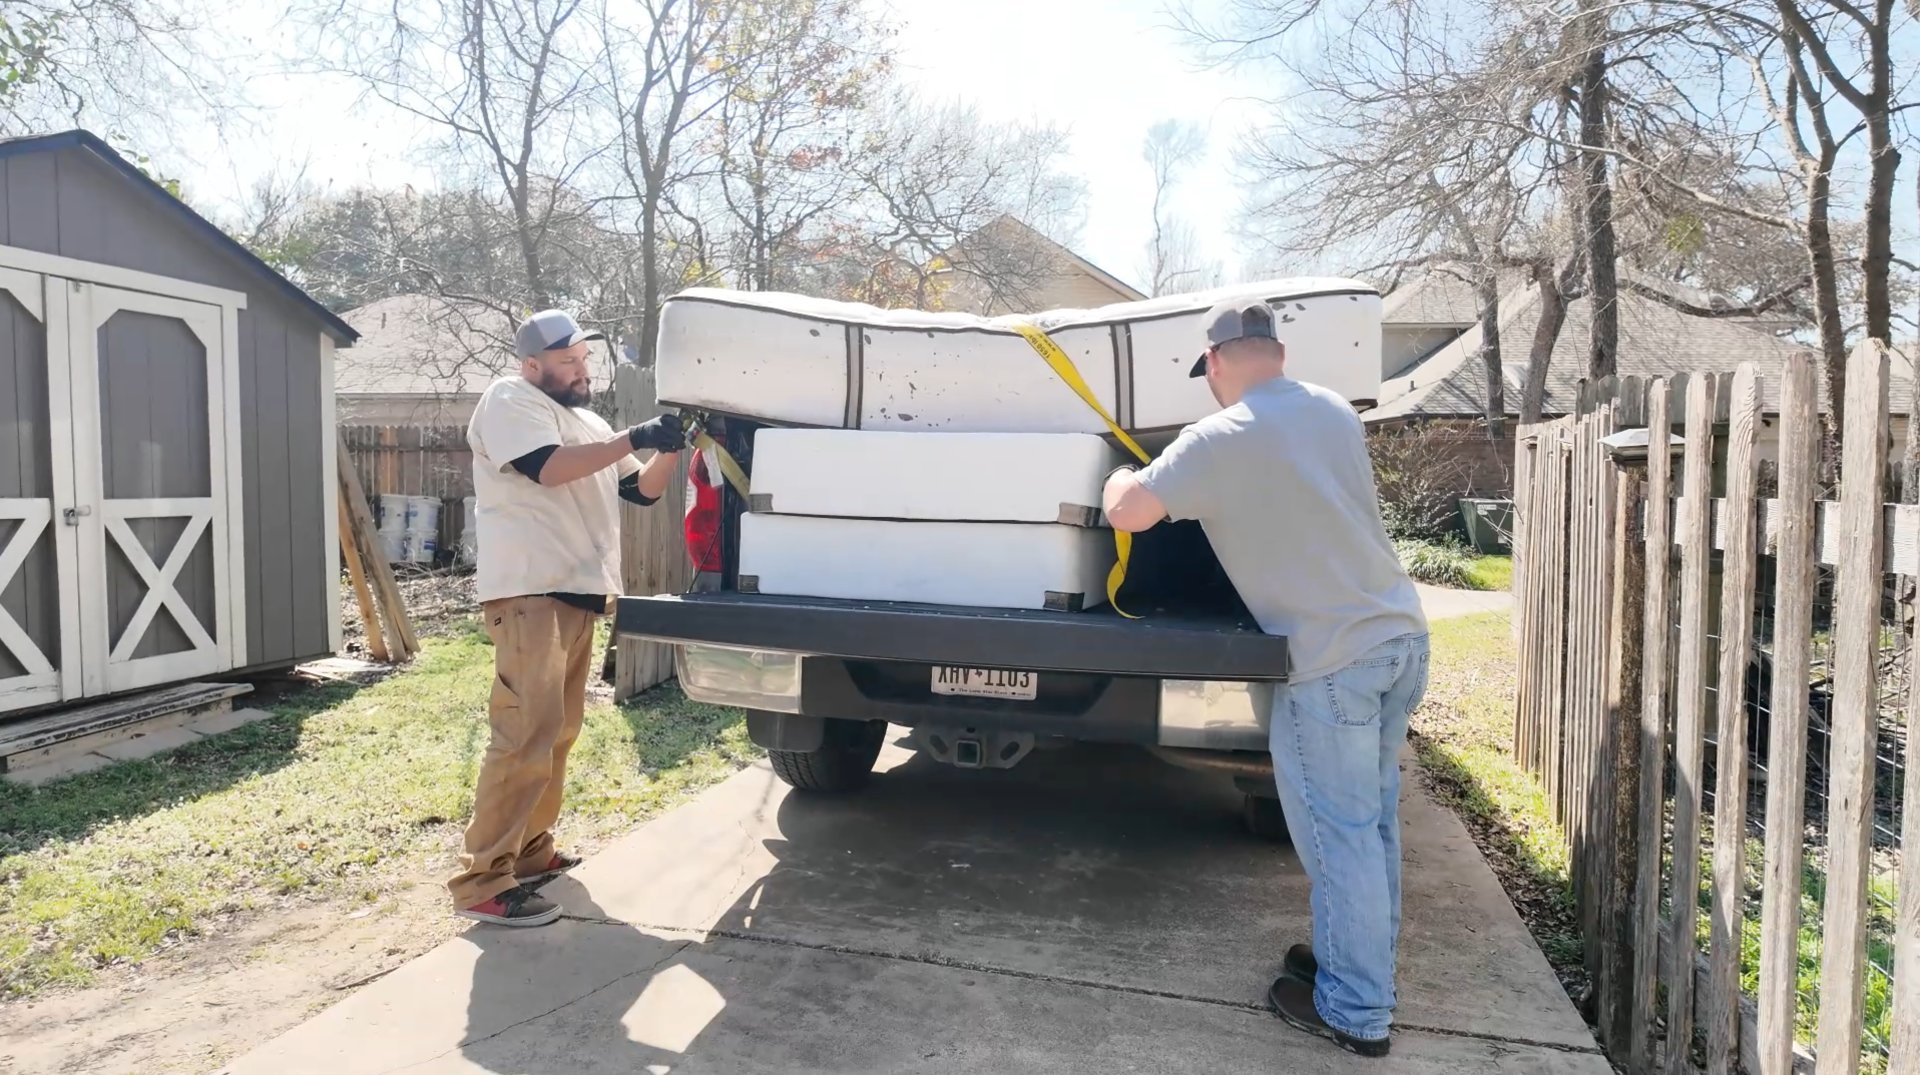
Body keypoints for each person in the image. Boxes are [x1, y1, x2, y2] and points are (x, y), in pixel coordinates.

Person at [1102, 297, 1429, 1057]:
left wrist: (1118, 470)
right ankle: (1356, 965)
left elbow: (1132, 514)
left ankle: (1355, 1010)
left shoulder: (1218, 436)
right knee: (1370, 824)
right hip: (1398, 638)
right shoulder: (1333, 410)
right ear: (1275, 352)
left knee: (1337, 835)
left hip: (1332, 661)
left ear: (1215, 363)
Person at [448, 309, 686, 928]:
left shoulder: (590, 421)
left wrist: (671, 447)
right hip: (529, 588)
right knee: (525, 731)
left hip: (579, 591)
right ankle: (481, 881)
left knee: (558, 731)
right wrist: (635, 437)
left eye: (584, 360)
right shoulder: (510, 400)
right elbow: (548, 469)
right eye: (568, 363)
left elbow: (644, 492)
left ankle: (530, 854)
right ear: (533, 365)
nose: (582, 371)